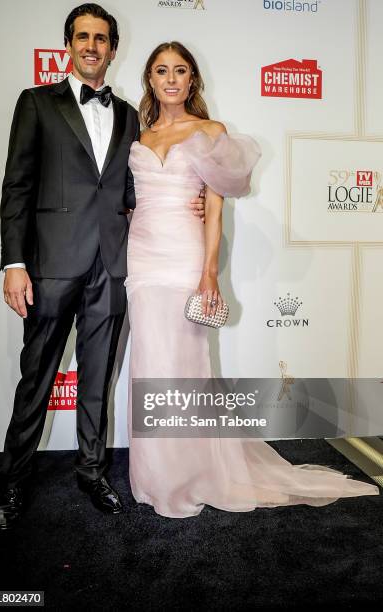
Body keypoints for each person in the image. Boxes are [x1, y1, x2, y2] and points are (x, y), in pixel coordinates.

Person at [125, 41, 380, 518]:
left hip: (184, 259)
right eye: (161, 71)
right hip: (141, 260)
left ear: (193, 80)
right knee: (148, 365)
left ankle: (196, 471)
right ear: (151, 81)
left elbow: (215, 213)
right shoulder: (138, 137)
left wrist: (208, 274)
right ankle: (157, 475)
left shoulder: (211, 132)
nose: (172, 79)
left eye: (180, 70)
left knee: (188, 367)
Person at [0, 5, 206, 531]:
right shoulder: (36, 103)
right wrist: (15, 262)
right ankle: (13, 481)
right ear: (69, 44)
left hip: (113, 269)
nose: (92, 46)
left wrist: (190, 204)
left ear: (113, 49)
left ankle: (91, 472)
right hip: (48, 269)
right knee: (36, 380)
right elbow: (16, 186)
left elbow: (136, 192)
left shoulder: (134, 115)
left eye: (102, 38)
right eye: (83, 37)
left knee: (97, 382)